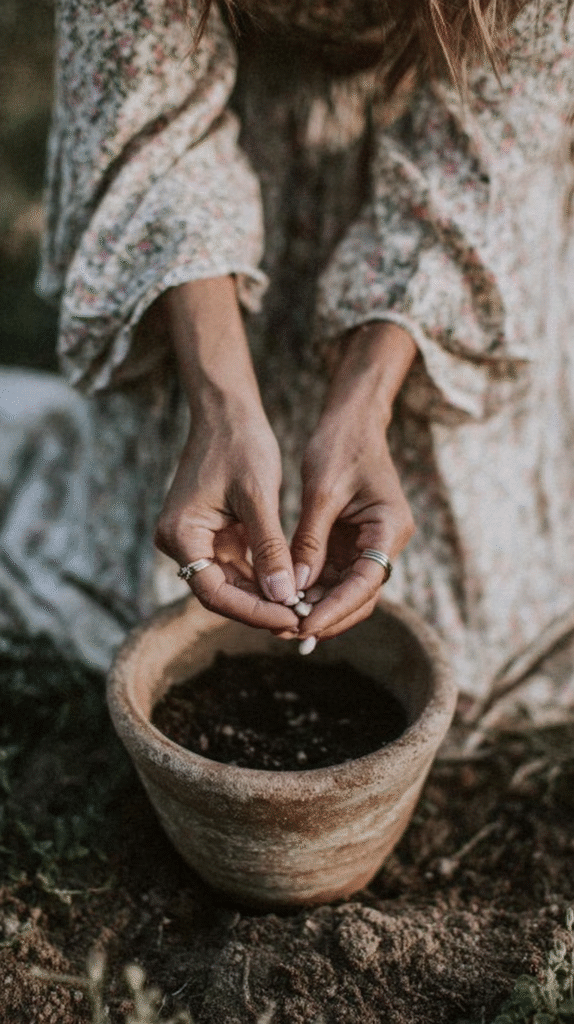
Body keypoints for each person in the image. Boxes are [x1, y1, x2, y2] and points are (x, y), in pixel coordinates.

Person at [1, 0, 573, 699]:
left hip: (425, 217)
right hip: (225, 187)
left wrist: (366, 407)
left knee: (464, 633)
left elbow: (482, 158)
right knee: (156, 587)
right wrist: (220, 409)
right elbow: (147, 122)